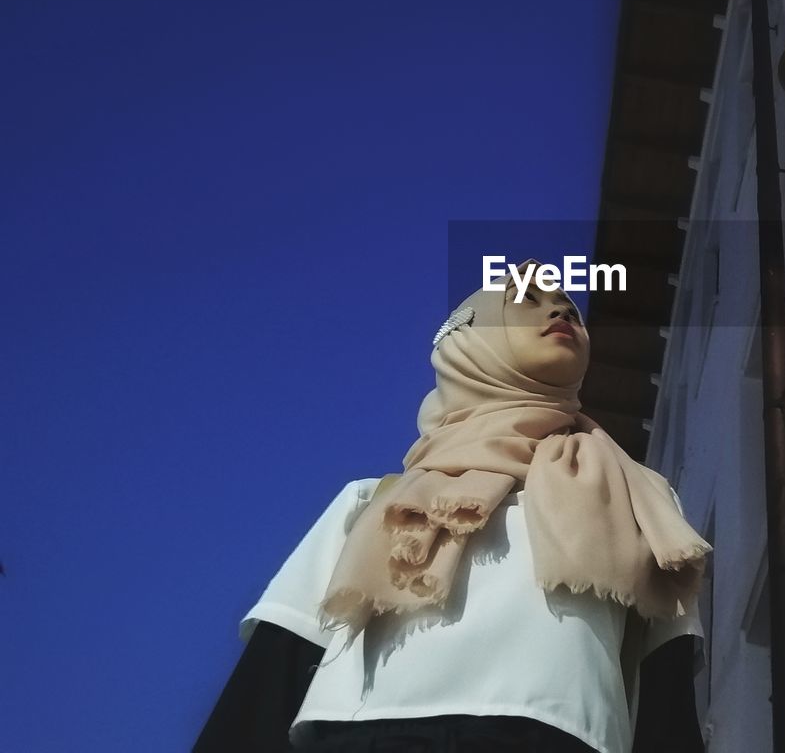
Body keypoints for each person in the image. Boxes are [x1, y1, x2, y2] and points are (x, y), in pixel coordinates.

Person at [196, 260, 710, 752]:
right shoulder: (376, 499)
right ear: (470, 342)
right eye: (525, 303)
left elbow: (665, 686)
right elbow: (278, 664)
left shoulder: (638, 496)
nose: (559, 313)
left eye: (569, 308)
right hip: (364, 738)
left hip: (557, 736)